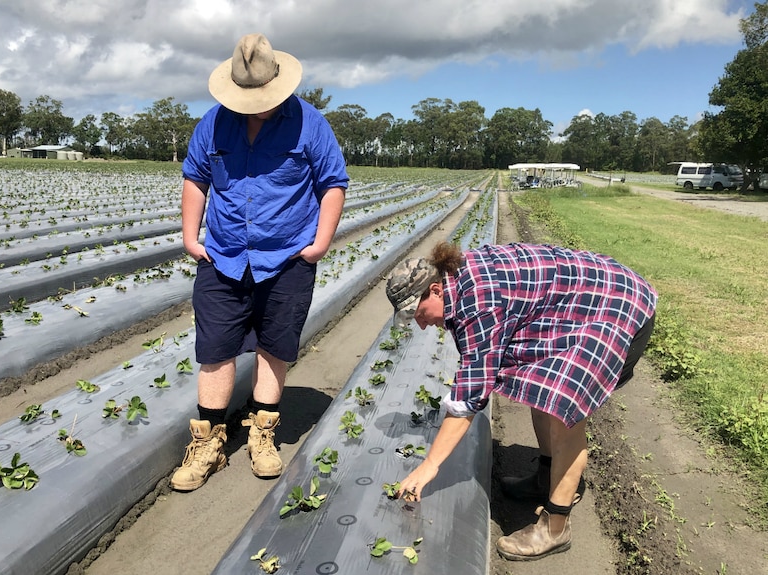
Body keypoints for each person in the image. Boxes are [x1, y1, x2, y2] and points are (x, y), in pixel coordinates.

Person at [386, 241, 656, 561]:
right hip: (580, 304)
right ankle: (546, 477)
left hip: (615, 307)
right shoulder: (460, 282)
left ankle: (555, 528)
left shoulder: (478, 301)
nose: (420, 323)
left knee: (563, 407)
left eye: (417, 313)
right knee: (540, 386)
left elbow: (471, 392)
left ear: (436, 290)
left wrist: (429, 466)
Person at [171, 33, 349, 492]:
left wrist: (320, 242)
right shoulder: (212, 123)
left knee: (274, 345)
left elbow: (333, 183)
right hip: (224, 255)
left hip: (287, 256)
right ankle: (207, 442)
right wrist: (191, 236)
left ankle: (262, 434)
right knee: (214, 347)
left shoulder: (310, 123)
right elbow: (195, 177)